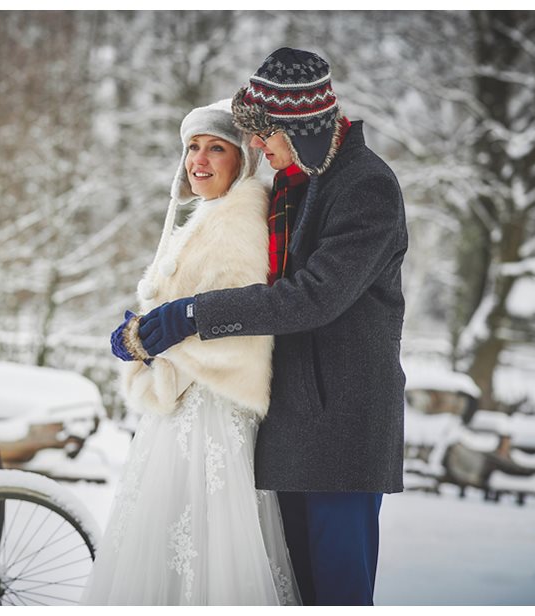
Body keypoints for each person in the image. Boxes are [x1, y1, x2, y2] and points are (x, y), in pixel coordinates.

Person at [124, 48, 408, 606]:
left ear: (301, 128)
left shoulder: (365, 187)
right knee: (296, 592)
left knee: (338, 591)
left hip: (342, 426)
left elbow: (314, 297)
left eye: (266, 134)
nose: (258, 146)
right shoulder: (297, 184)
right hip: (292, 422)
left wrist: (194, 315)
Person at [84, 100, 298, 605]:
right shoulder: (212, 213)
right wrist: (148, 332)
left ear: (242, 158)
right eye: (193, 148)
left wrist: (149, 343)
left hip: (206, 414)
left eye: (215, 148)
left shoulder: (238, 220)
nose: (198, 160)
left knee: (203, 549)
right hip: (186, 408)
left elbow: (236, 329)